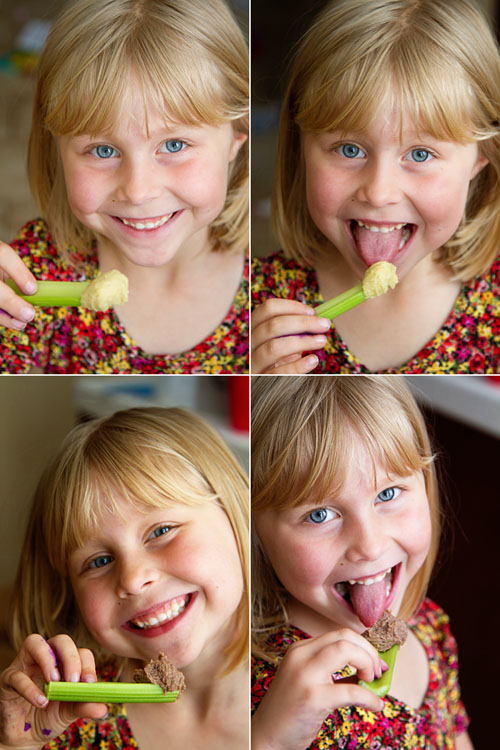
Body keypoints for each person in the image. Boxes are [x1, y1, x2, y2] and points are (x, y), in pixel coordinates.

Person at [251, 0, 500, 374]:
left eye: (419, 154)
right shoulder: (254, 309)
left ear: (479, 161)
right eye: (350, 149)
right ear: (299, 149)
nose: (379, 192)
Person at [0, 0, 248, 373]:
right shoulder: (37, 271)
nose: (137, 190)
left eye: (174, 145)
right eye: (102, 150)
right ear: (57, 150)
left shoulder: (269, 284)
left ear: (235, 139)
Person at [0, 406, 249, 749]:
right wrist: (16, 745)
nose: (132, 578)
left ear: (236, 516)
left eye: (161, 530)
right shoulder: (65, 717)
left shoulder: (321, 683)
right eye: (99, 560)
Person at [251, 375, 473, 749]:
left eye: (388, 493)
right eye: (320, 515)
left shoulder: (430, 627)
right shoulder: (260, 686)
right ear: (257, 536)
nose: (369, 546)